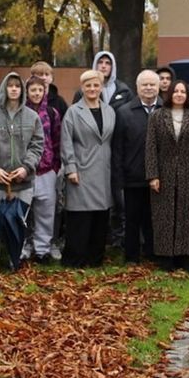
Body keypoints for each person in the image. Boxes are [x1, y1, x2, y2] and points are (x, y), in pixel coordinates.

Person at [0, 72, 45, 273]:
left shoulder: (32, 117)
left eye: (18, 86)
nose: (14, 89)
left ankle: (14, 259)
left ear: (22, 90)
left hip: (22, 183)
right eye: (11, 85)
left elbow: (37, 145)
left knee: (18, 223)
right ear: (4, 89)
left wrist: (26, 167)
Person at [147, 80, 189, 272]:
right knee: (164, 215)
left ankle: (184, 256)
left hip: (188, 173)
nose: (179, 94)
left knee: (186, 215)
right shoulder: (157, 116)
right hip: (163, 173)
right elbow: (151, 148)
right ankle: (166, 258)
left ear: (187, 95)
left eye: (183, 92)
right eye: (176, 91)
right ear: (170, 94)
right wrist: (152, 175)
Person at [61, 70, 115, 267]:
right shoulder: (73, 112)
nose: (92, 89)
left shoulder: (109, 111)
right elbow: (66, 141)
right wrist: (70, 168)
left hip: (103, 170)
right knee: (80, 216)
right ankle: (75, 258)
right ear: (82, 88)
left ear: (101, 87)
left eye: (96, 85)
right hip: (81, 168)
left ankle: (95, 258)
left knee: (100, 215)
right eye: (88, 85)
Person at [113, 70, 162, 264]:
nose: (148, 88)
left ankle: (153, 253)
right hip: (132, 176)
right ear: (137, 87)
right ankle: (131, 256)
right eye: (144, 85)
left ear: (158, 87)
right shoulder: (124, 112)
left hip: (158, 178)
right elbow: (117, 148)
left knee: (154, 218)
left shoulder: (165, 110)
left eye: (152, 84)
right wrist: (119, 178)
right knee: (132, 219)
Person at [24, 76, 61, 263]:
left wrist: (55, 166)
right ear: (27, 92)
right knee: (23, 212)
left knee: (45, 212)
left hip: (47, 170)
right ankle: (23, 248)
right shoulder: (21, 113)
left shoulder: (52, 113)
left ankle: (42, 249)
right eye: (33, 90)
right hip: (25, 171)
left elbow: (57, 140)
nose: (37, 93)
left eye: (40, 90)